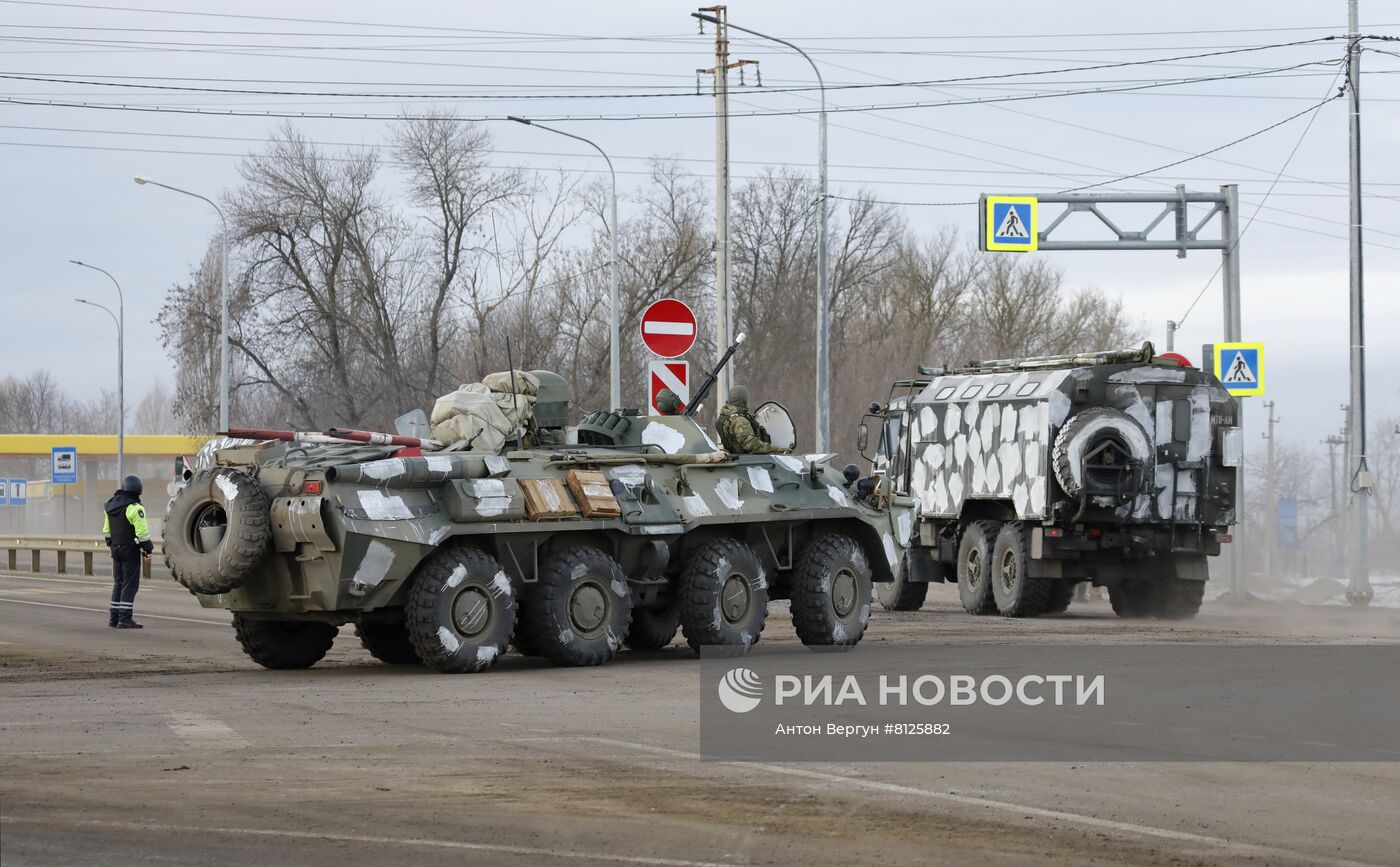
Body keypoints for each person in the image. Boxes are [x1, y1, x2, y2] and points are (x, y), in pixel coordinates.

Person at [103, 474, 153, 629]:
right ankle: (125, 618)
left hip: (116, 549)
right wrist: (147, 550)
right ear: (138, 489)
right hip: (130, 550)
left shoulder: (110, 506)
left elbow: (106, 530)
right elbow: (142, 532)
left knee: (118, 582)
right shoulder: (135, 508)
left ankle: (114, 618)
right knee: (130, 584)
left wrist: (111, 545)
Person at [716, 384, 786, 454]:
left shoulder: (724, 417)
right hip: (747, 460)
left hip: (734, 458)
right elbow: (752, 445)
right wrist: (775, 449)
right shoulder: (740, 421)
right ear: (744, 400)